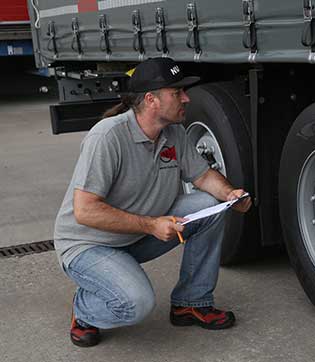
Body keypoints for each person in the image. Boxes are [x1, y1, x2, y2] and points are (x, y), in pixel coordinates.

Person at [53, 57, 251, 348]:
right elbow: (85, 210)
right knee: (137, 303)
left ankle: (191, 302)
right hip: (89, 246)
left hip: (137, 233)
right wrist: (150, 225)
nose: (186, 98)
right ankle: (85, 309)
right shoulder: (107, 137)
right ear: (151, 100)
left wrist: (231, 195)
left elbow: (203, 176)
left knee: (209, 205)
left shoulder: (174, 133)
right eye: (177, 93)